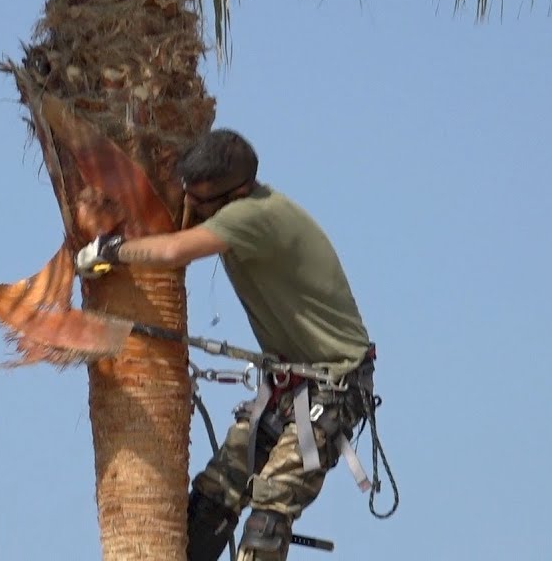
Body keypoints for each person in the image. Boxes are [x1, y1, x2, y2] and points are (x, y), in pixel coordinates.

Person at [75, 129, 377, 561]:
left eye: (200, 201)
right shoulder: (233, 207)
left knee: (270, 511)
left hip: (331, 392)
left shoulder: (253, 216)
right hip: (289, 388)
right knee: (214, 498)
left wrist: (113, 249)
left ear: (235, 193)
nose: (191, 207)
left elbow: (175, 250)